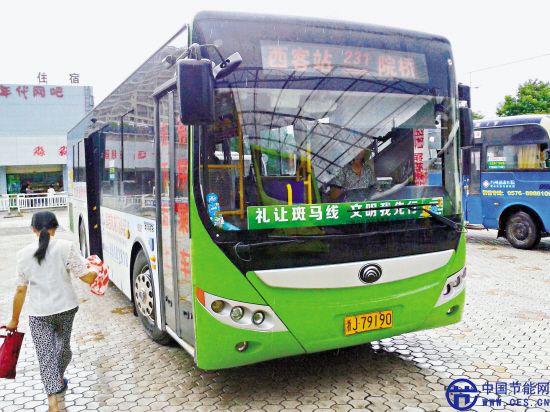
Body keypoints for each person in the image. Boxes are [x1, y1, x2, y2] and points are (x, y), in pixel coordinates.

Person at [5, 211, 97, 412]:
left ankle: (53, 401)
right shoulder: (66, 247)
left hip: (39, 313)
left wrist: (14, 320)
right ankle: (56, 387)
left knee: (46, 357)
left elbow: (20, 290)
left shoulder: (23, 254)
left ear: (33, 229)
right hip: (66, 309)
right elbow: (86, 277)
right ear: (55, 227)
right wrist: (97, 271)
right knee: (63, 350)